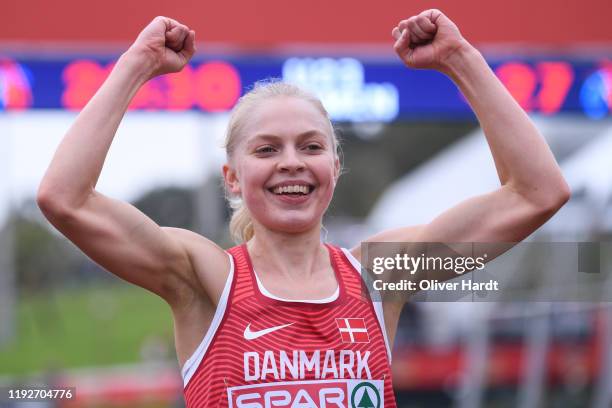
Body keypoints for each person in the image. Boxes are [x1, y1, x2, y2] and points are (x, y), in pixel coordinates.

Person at [37, 9, 570, 407]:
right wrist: (136, 65)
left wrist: (461, 60)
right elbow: (65, 198)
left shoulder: (379, 275)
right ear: (233, 178)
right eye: (267, 149)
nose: (292, 163)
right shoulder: (204, 279)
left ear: (335, 169)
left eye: (311, 147)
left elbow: (537, 192)